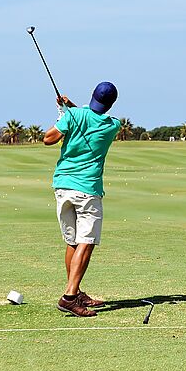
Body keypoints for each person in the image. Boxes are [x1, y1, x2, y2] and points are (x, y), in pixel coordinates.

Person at [43, 81, 121, 317]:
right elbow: (91, 119)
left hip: (63, 186)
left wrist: (65, 112)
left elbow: (48, 139)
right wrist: (70, 110)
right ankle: (69, 297)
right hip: (87, 190)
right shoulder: (112, 125)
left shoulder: (74, 115)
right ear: (111, 104)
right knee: (86, 242)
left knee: (73, 243)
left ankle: (75, 292)